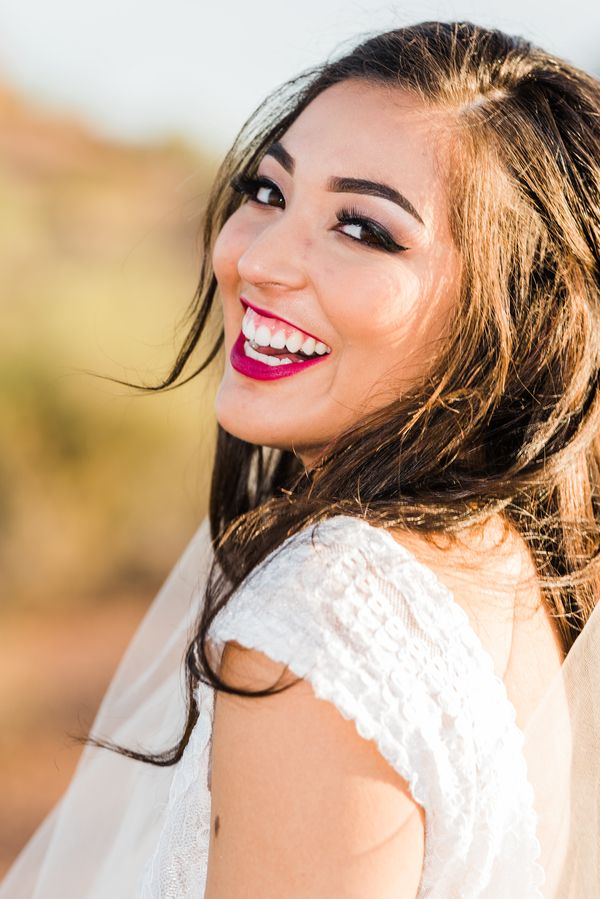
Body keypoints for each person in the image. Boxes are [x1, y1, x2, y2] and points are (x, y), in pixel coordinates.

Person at [2, 18, 600, 899]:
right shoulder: (508, 565)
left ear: (514, 320)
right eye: (269, 192)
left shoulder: (326, 623)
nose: (260, 258)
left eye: (363, 228)